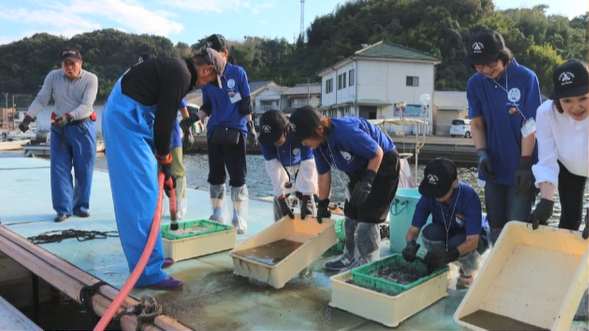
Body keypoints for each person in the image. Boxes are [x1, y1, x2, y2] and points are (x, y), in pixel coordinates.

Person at [102, 48, 225, 290]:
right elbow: (164, 120)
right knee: (140, 196)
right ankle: (145, 272)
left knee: (150, 194)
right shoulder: (181, 74)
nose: (208, 84)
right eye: (212, 79)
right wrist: (165, 160)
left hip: (134, 118)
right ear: (207, 70)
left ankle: (152, 258)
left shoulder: (177, 69)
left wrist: (164, 162)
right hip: (124, 120)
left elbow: (162, 119)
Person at [288, 106, 400, 271]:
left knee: (367, 219)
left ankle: (367, 261)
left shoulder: (345, 132)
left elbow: (377, 153)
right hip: (360, 169)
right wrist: (323, 204)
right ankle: (350, 256)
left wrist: (368, 181)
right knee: (351, 214)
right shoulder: (319, 146)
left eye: (303, 138)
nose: (302, 143)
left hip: (383, 166)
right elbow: (323, 177)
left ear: (318, 129)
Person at [463, 30, 542, 244]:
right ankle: (497, 268)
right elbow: (477, 123)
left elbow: (530, 124)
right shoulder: (475, 83)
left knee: (517, 221)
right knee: (495, 222)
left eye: (490, 64)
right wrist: (481, 153)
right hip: (493, 165)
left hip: (521, 165)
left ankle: (519, 270)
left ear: (503, 57)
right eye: (479, 66)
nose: (486, 70)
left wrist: (525, 163)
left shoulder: (526, 78)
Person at [183, 34, 257, 234]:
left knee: (237, 177)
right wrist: (192, 119)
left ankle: (237, 217)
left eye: (214, 53)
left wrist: (251, 127)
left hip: (235, 130)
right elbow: (207, 106)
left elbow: (246, 103)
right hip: (214, 131)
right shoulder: (207, 78)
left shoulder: (237, 73)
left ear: (225, 53)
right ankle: (217, 214)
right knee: (215, 177)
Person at [19, 48, 98, 223]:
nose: (69, 67)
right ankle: (63, 209)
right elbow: (42, 99)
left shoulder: (91, 79)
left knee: (84, 169)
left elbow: (87, 105)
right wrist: (28, 117)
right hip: (59, 130)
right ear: (61, 65)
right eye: (65, 64)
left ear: (80, 64)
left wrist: (69, 116)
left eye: (73, 63)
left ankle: (81, 206)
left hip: (82, 128)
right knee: (59, 170)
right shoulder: (53, 77)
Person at [402, 158, 490, 289]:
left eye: (440, 190)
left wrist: (450, 255)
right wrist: (410, 245)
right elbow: (413, 231)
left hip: (474, 237)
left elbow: (472, 240)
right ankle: (443, 267)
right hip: (447, 231)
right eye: (433, 190)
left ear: (455, 183)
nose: (435, 195)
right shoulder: (428, 196)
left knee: (457, 243)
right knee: (429, 233)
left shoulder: (469, 196)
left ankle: (468, 273)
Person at [530, 60, 588, 230]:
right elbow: (547, 159)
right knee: (569, 221)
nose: (576, 107)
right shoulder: (545, 113)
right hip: (568, 165)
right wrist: (546, 201)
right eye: (567, 100)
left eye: (583, 98)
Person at [258, 109, 318, 221]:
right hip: (281, 164)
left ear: (286, 130)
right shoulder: (265, 141)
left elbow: (308, 163)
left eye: (275, 138)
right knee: (279, 201)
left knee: (307, 198)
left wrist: (306, 196)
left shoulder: (301, 129)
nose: (273, 142)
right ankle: (280, 226)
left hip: (301, 162)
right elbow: (273, 168)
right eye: (270, 139)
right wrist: (281, 198)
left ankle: (310, 225)